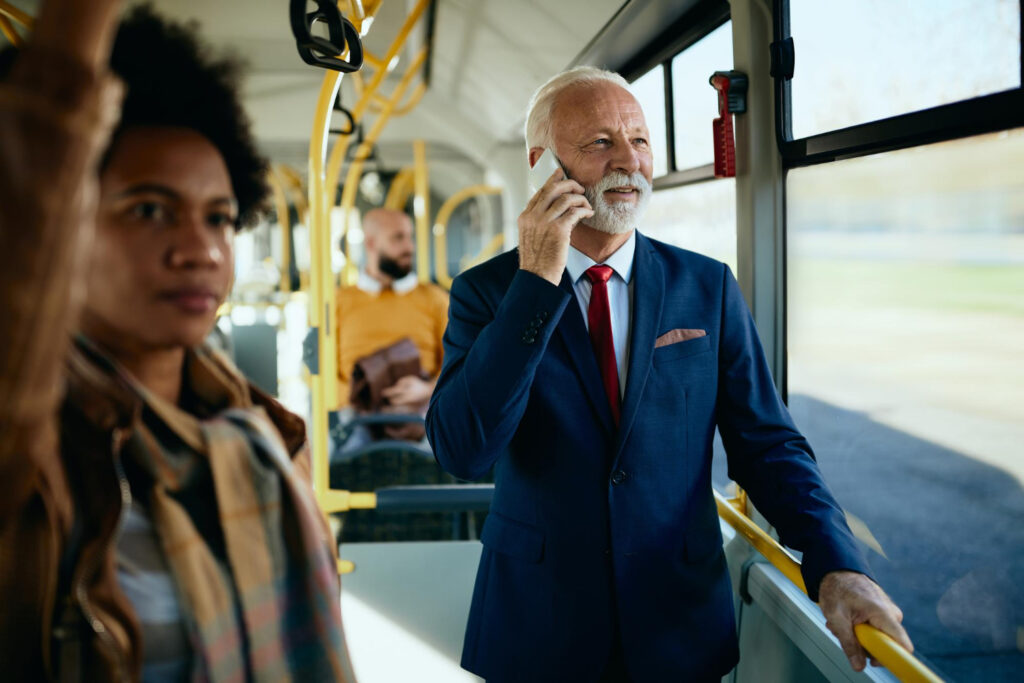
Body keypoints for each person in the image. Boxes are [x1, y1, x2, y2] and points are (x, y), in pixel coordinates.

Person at [425, 66, 914, 682]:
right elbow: (462, 450)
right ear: (541, 164)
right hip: (537, 625)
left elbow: (768, 444)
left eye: (640, 140)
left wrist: (838, 564)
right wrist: (535, 284)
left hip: (678, 624)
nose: (629, 161)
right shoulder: (486, 293)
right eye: (600, 143)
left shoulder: (706, 286)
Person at [0, 3, 354, 681]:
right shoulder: (34, 451)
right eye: (149, 210)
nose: (199, 250)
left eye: (218, 217)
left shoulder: (265, 434)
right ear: (59, 228)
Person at [335, 207, 448, 415]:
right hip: (355, 414)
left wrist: (427, 390)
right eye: (398, 238)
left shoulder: (435, 299)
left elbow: (457, 365)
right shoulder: (338, 302)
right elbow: (319, 375)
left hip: (421, 411)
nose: (409, 247)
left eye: (409, 237)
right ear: (371, 243)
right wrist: (359, 396)